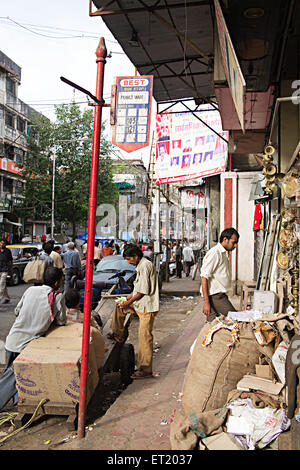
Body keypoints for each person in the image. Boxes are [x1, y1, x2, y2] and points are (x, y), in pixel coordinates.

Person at [0, 267, 66, 410]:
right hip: (27, 346)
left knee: (11, 375)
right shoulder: (56, 296)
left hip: (12, 339)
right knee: (14, 378)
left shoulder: (30, 290)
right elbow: (61, 321)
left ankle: (19, 404)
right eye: (61, 280)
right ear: (56, 283)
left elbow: (17, 311)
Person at [107, 244, 159, 379]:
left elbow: (142, 291)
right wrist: (127, 299)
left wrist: (128, 302)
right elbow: (137, 290)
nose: (129, 262)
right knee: (119, 305)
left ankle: (145, 369)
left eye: (129, 259)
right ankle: (118, 333)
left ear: (136, 257)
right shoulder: (140, 266)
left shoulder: (145, 266)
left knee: (144, 338)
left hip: (147, 307)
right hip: (139, 303)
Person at [200, 227, 239, 322]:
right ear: (225, 239)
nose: (235, 245)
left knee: (215, 324)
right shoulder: (215, 253)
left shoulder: (224, 253)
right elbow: (204, 277)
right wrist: (206, 303)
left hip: (220, 295)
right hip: (215, 296)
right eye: (233, 242)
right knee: (234, 319)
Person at [0, 238, 13, 304]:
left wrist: (11, 269)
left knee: (1, 284)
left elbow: (11, 260)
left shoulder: (7, 251)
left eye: (3, 243)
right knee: (3, 285)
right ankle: (7, 297)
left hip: (5, 270)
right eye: (1, 243)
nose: (2, 244)